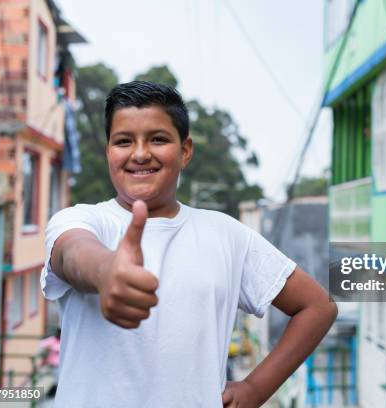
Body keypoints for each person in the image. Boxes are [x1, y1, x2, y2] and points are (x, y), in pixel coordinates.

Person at [41, 81, 337, 407]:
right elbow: (72, 253)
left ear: (185, 151)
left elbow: (318, 307)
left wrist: (255, 388)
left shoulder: (228, 235)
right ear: (109, 152)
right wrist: (106, 271)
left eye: (158, 139)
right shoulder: (78, 220)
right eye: (124, 141)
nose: (140, 154)